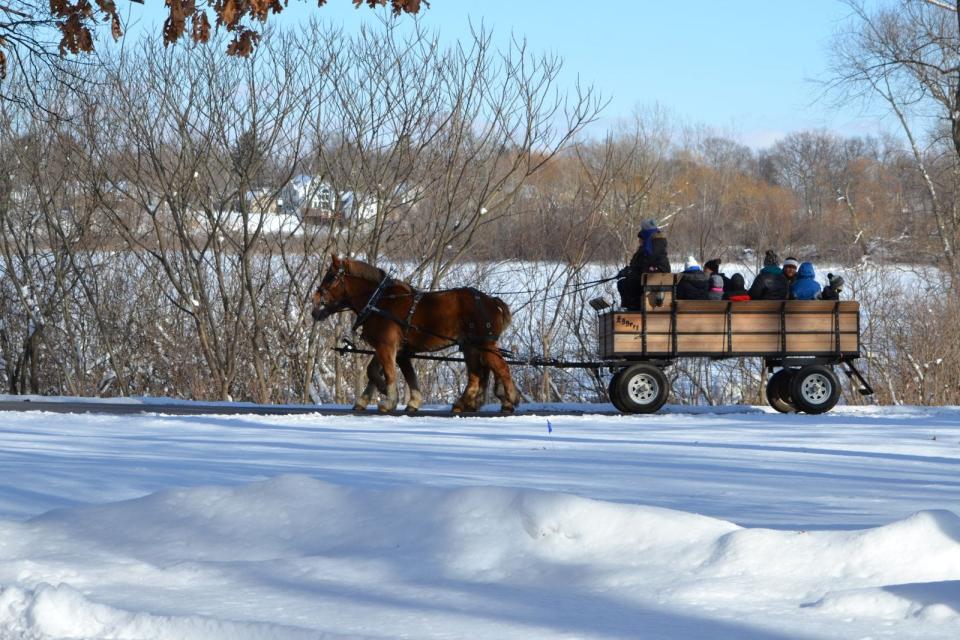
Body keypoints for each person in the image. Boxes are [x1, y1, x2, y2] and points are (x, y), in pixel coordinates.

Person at [617, 218, 670, 308]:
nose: (639, 241)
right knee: (624, 283)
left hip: (652, 280)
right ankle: (630, 308)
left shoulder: (651, 248)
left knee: (627, 283)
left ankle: (632, 309)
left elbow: (644, 265)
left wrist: (630, 272)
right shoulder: (652, 246)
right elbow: (638, 265)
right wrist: (628, 270)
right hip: (650, 278)